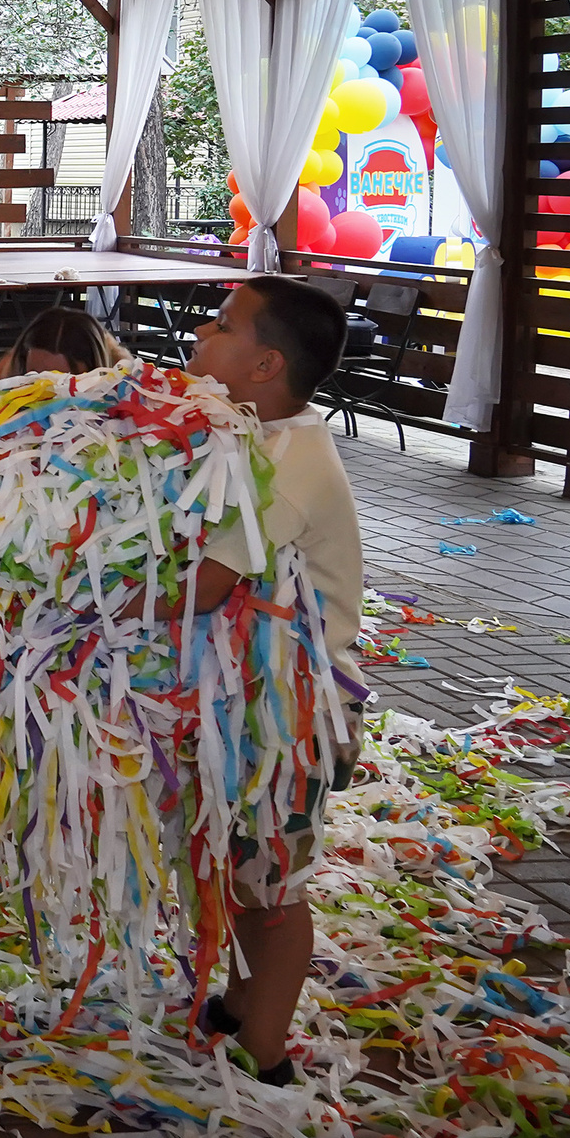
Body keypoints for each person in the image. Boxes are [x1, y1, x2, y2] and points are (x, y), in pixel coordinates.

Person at [173, 276, 365, 1086]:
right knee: (238, 866)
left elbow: (206, 585)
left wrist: (92, 598)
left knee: (271, 893)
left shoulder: (293, 465)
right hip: (251, 707)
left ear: (265, 365)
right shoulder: (260, 433)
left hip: (294, 722)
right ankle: (241, 1002)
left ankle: (269, 1051)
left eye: (221, 326)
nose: (199, 335)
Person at [0, 303, 126, 384]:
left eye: (62, 381)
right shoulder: (7, 374)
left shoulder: (123, 378)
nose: (46, 388)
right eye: (34, 376)